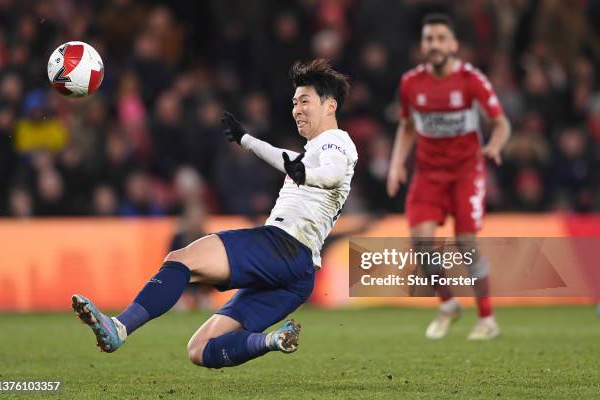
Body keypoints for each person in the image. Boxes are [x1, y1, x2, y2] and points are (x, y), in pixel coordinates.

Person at [72, 59, 358, 368]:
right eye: (294, 102)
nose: (297, 109)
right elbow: (288, 158)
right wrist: (246, 140)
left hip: (282, 246)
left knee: (181, 260)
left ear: (330, 106)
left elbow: (330, 173)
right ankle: (272, 340)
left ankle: (121, 327)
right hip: (298, 276)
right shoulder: (313, 151)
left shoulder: (336, 143)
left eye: (305, 101)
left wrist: (305, 174)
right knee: (200, 349)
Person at [386, 14, 511, 340]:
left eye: (441, 38)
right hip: (428, 175)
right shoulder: (410, 83)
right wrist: (396, 163)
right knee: (423, 246)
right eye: (429, 39)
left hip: (465, 173)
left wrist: (495, 145)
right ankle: (448, 305)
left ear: (454, 45)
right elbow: (407, 125)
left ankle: (487, 319)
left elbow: (502, 123)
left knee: (467, 244)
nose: (435, 44)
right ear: (423, 45)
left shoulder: (472, 80)